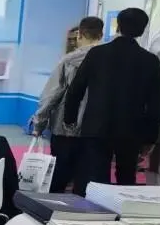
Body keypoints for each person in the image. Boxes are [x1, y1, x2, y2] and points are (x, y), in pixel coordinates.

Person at [63, 7, 160, 193]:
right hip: (131, 130)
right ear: (142, 30)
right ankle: (123, 207)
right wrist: (150, 137)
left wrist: (69, 119)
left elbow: (76, 89)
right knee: (126, 179)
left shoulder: (97, 54)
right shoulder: (150, 61)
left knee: (94, 178)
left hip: (96, 127)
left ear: (118, 25)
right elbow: (155, 103)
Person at [29, 16, 104, 194]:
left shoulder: (69, 61)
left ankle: (54, 208)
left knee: (59, 176)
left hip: (65, 128)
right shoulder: (109, 61)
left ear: (80, 35)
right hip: (96, 130)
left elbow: (52, 94)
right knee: (87, 180)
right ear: (101, 35)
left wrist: (39, 122)